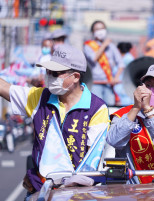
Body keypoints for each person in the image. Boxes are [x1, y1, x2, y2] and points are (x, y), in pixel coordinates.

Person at [0, 44, 109, 193]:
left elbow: (92, 159)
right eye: (48, 71)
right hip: (41, 188)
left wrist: (68, 188)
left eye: (55, 73)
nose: (49, 76)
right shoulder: (40, 97)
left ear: (75, 77)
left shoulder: (96, 108)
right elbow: (6, 88)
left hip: (78, 192)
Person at [83, 20, 124, 106]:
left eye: (102, 28)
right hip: (95, 83)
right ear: (93, 32)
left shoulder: (111, 46)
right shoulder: (88, 46)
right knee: (95, 107)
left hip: (109, 83)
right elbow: (94, 58)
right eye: (97, 29)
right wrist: (104, 45)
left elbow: (121, 64)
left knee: (109, 107)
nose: (100, 31)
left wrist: (116, 78)